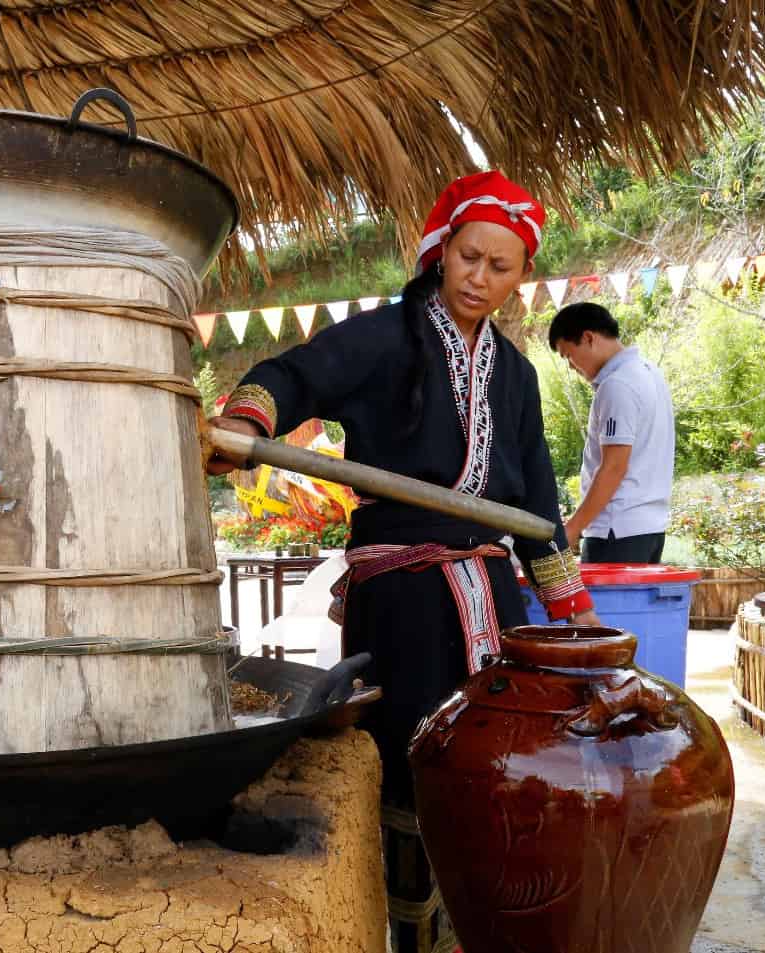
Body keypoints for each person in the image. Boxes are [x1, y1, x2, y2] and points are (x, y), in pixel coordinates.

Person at [205, 170, 597, 953]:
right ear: (440, 250)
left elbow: (538, 504)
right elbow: (294, 374)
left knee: (506, 760)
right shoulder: (384, 336)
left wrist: (572, 609)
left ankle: (485, 925)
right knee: (417, 762)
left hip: (492, 591)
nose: (480, 279)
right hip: (408, 598)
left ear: (523, 277)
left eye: (501, 266)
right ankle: (414, 929)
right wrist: (246, 418)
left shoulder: (516, 375)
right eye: (468, 257)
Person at [548, 302, 675, 564]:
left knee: (602, 607)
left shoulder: (616, 385)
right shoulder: (649, 372)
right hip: (649, 528)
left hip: (616, 531)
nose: (571, 366)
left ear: (588, 338)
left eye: (568, 354)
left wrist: (571, 529)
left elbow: (613, 468)